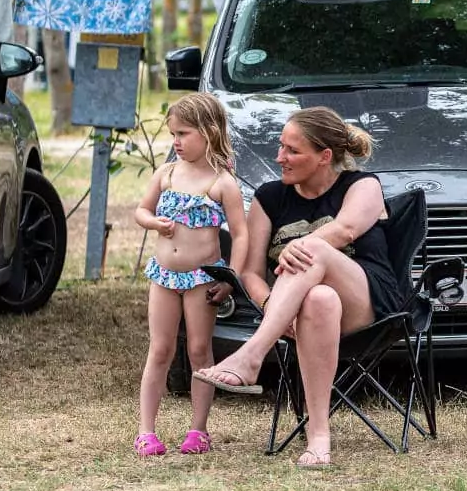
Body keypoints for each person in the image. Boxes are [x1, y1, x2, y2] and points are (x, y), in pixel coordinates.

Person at [194, 106, 405, 468]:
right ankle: (319, 438)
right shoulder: (270, 198)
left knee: (316, 249)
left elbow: (344, 231)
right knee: (319, 297)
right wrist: (273, 304)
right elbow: (250, 273)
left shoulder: (363, 186)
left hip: (367, 302)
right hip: (299, 312)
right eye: (281, 147)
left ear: (325, 157)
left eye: (292, 151)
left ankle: (252, 355)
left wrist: (297, 247)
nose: (280, 157)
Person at [131, 93, 247, 457]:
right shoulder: (165, 174)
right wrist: (153, 222)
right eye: (172, 135)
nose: (176, 142)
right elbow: (141, 210)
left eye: (183, 134)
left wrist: (230, 278)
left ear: (209, 132)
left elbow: (241, 235)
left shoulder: (222, 182)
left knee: (199, 349)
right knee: (161, 348)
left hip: (201, 279)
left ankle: (199, 429)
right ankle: (146, 430)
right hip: (164, 276)